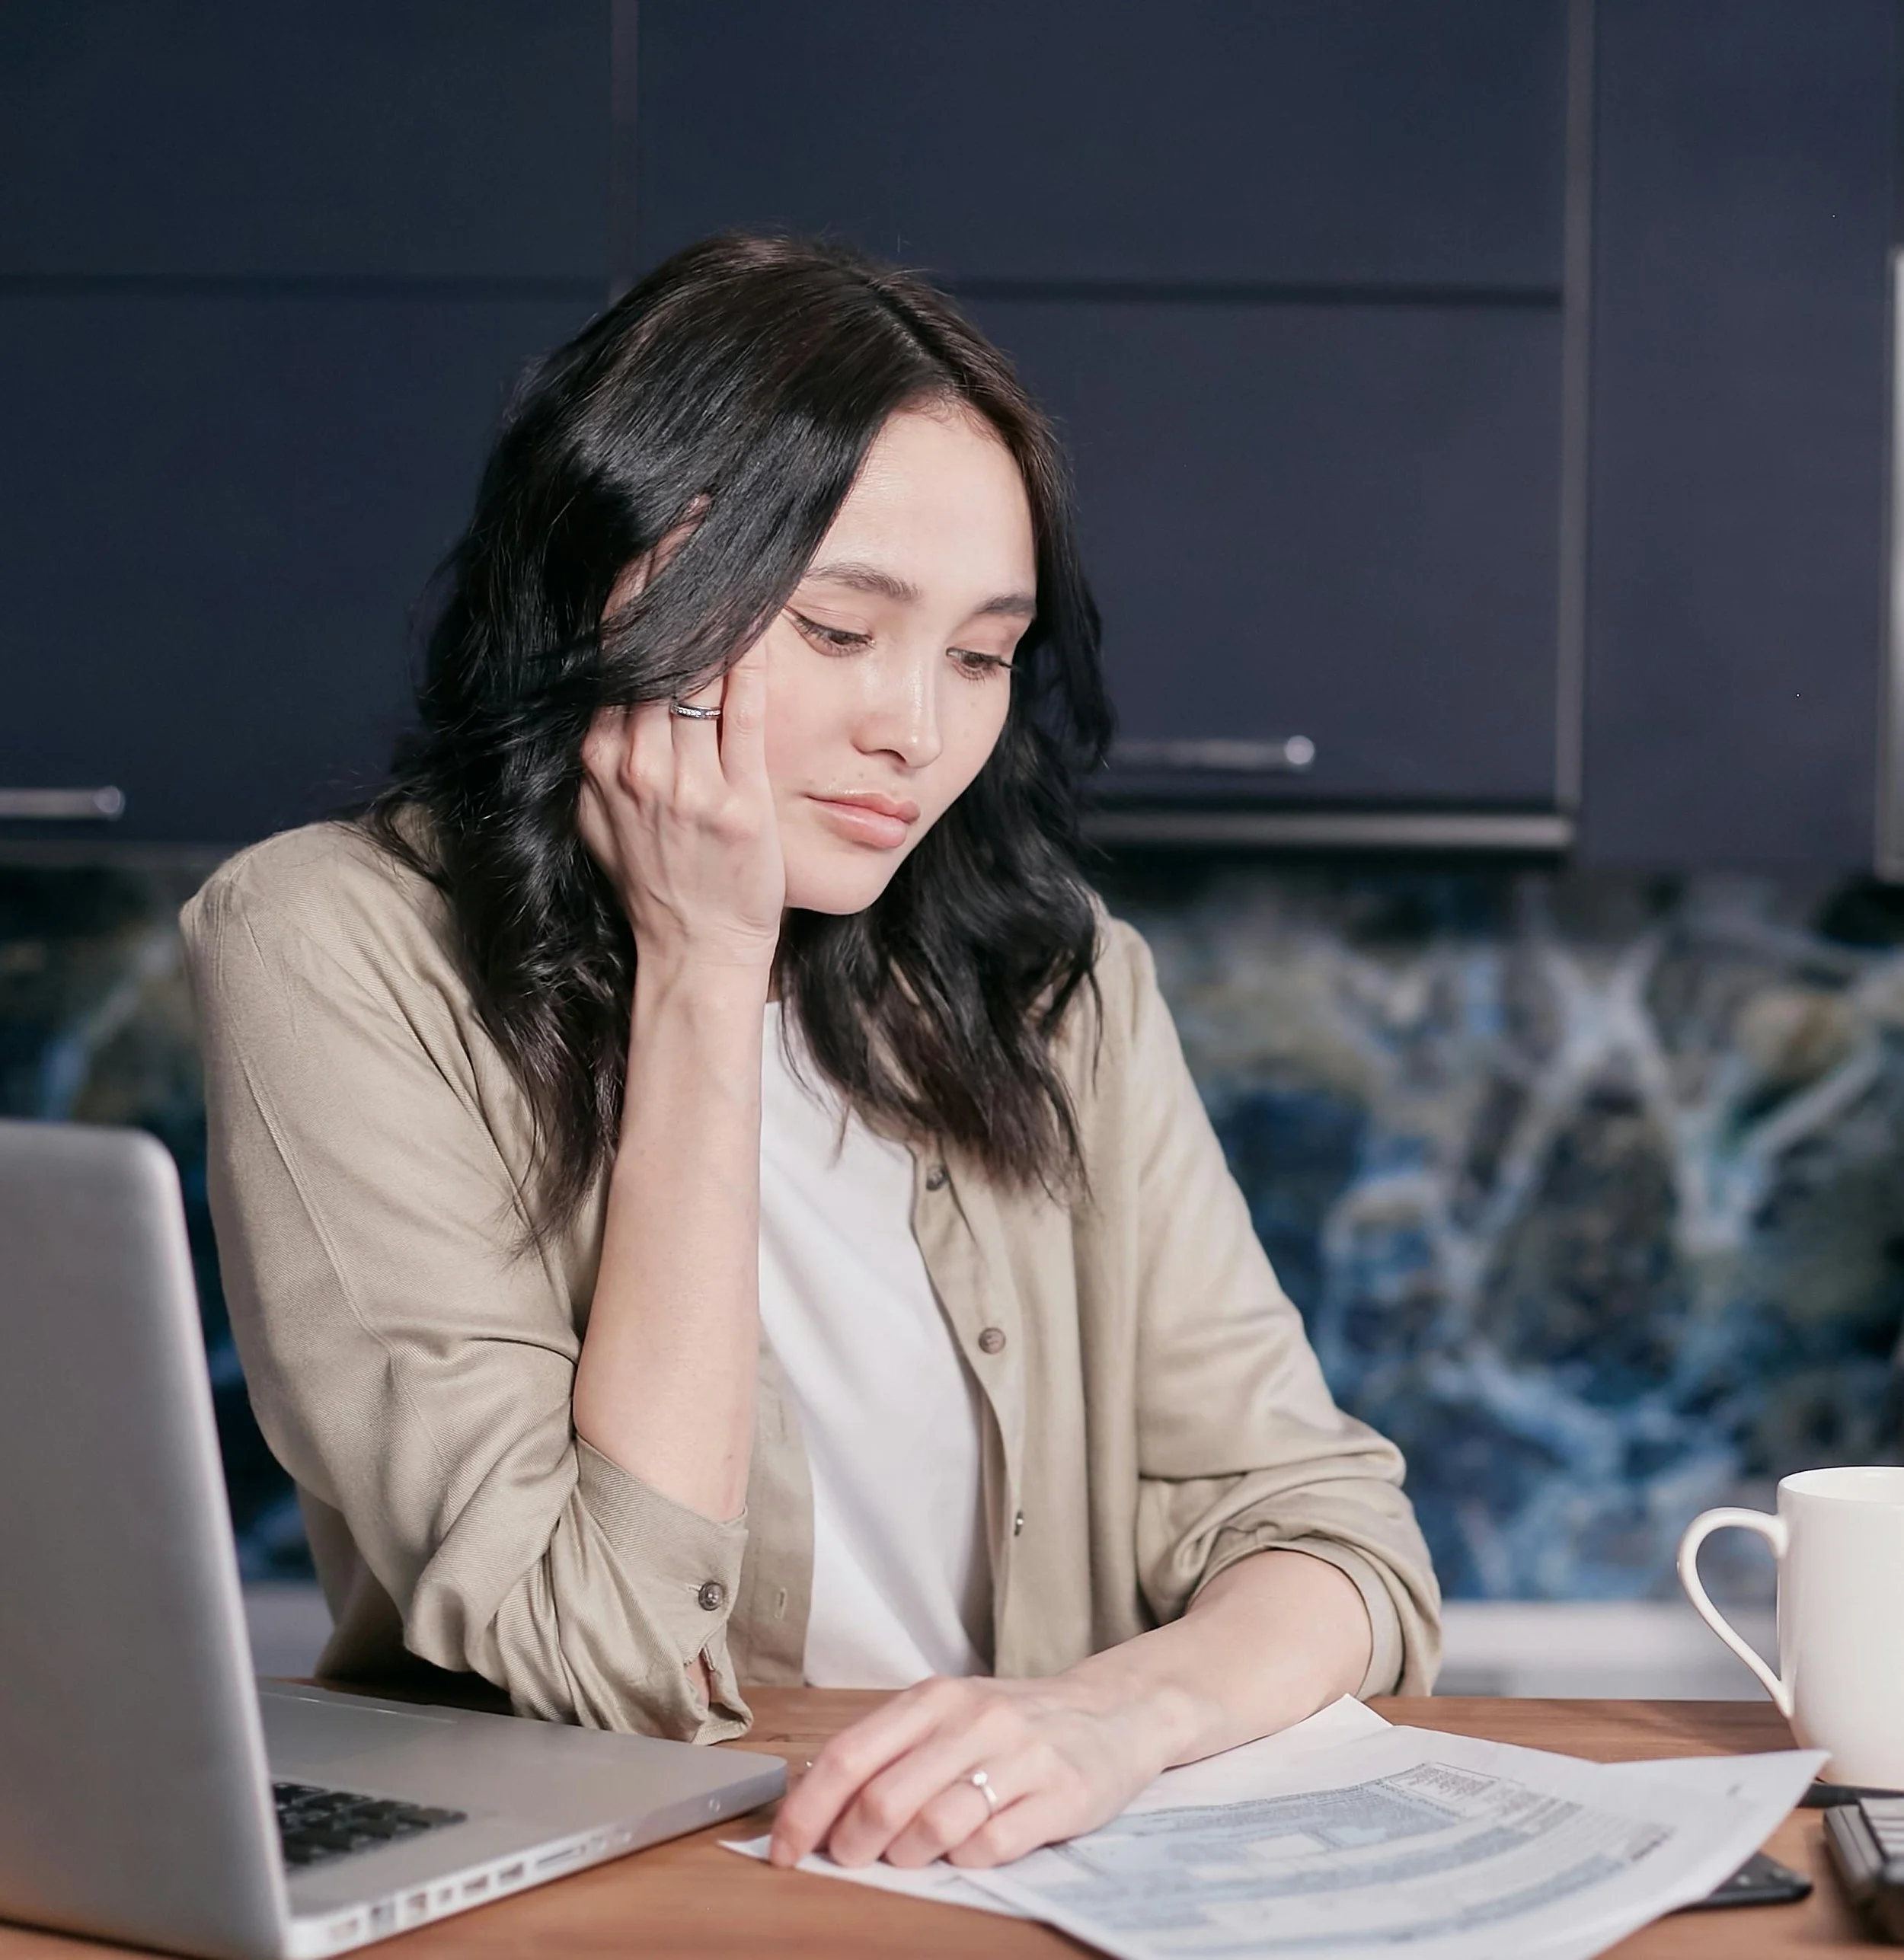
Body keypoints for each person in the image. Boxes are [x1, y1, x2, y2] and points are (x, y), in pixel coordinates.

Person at [183, 234, 1439, 1875]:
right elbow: (604, 1652)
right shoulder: (328, 944)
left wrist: (1109, 1720)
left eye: (980, 655)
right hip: (603, 1897)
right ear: (615, 590)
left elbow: (1341, 1550)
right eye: (839, 630)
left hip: (1006, 1883)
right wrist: (704, 967)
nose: (916, 729)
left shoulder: (1055, 986)